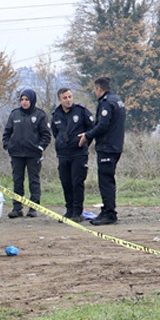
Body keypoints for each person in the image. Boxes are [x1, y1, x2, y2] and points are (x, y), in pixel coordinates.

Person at [78, 77, 127, 225]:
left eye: (95, 89)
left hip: (108, 147)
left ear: (99, 89)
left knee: (105, 180)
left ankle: (110, 214)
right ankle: (106, 210)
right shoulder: (117, 100)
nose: (94, 92)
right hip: (115, 146)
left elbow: (103, 125)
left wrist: (87, 136)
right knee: (107, 179)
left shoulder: (106, 103)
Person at [0, 88, 51, 218]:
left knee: (34, 181)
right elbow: (7, 132)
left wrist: (40, 148)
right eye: (22, 99)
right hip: (17, 154)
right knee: (17, 180)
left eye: (27, 99)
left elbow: (46, 135)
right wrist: (8, 146)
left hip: (33, 154)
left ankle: (33, 208)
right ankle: (17, 207)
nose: (24, 102)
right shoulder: (14, 114)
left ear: (32, 100)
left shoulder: (40, 115)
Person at [49, 87, 95, 222]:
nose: (68, 100)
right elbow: (55, 132)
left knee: (77, 182)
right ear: (59, 99)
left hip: (78, 153)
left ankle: (77, 212)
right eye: (65, 98)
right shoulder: (56, 114)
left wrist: (84, 142)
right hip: (63, 154)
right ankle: (69, 211)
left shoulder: (81, 111)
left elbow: (92, 129)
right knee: (66, 182)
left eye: (70, 97)